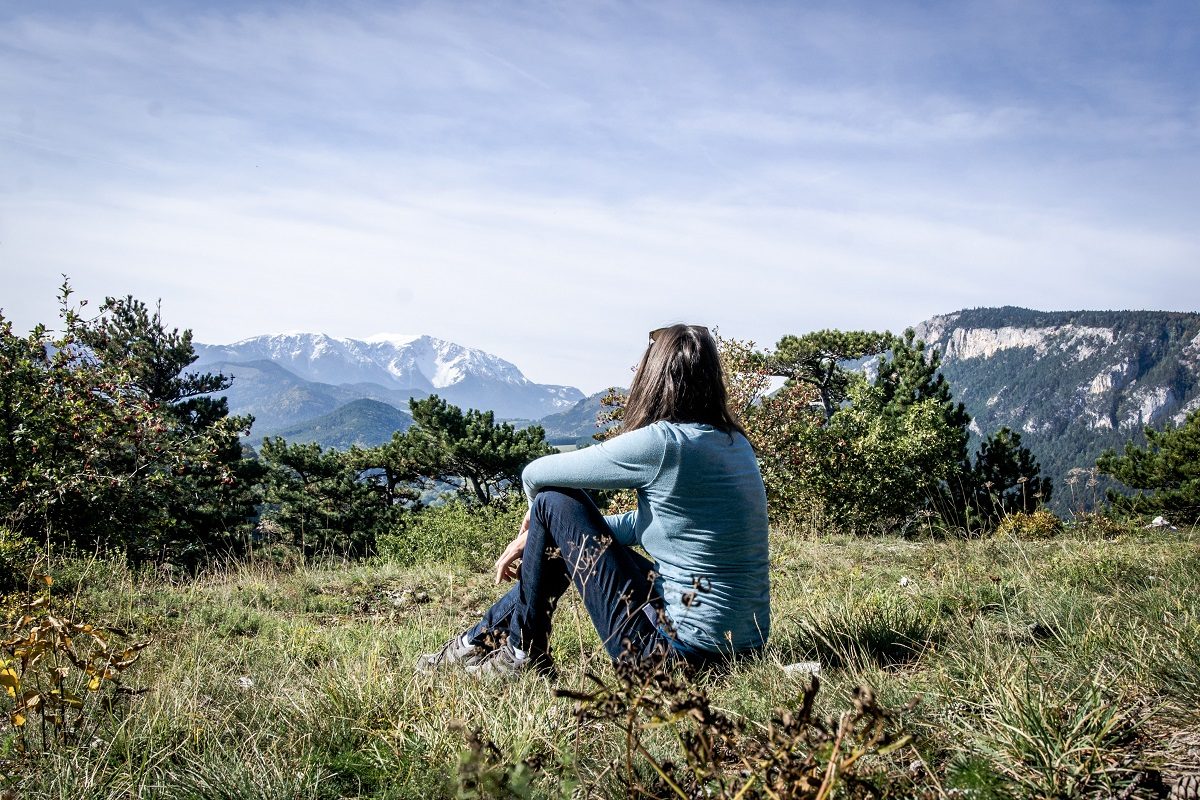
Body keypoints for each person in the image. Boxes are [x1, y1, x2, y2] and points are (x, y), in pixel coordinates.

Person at [416, 324, 770, 678]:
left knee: (554, 499)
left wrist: (535, 526)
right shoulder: (735, 443)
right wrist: (546, 537)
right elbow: (649, 523)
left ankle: (521, 653)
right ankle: (474, 644)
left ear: (655, 374)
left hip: (672, 659)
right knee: (559, 525)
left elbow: (535, 474)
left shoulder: (663, 443)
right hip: (743, 653)